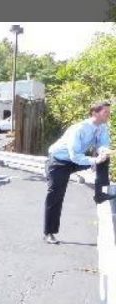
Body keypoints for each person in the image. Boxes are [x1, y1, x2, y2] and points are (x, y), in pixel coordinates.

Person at [43, 100, 114, 244]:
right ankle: (49, 233)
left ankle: (100, 194)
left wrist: (102, 153)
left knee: (104, 158)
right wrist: (94, 161)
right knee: (56, 195)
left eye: (109, 112)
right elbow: (74, 155)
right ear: (94, 113)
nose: (109, 115)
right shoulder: (79, 129)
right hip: (59, 162)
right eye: (105, 112)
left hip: (76, 160)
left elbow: (103, 145)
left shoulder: (102, 127)